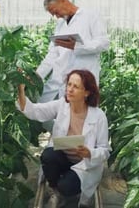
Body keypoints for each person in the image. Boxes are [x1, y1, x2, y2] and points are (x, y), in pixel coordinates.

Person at [17, 70, 110, 207]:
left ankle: (67, 189)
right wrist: (21, 90)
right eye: (69, 84)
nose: (70, 89)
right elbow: (34, 111)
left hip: (84, 166)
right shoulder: (62, 105)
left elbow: (105, 150)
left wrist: (90, 153)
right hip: (63, 158)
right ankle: (56, 190)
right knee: (48, 155)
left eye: (75, 86)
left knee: (66, 186)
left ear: (87, 92)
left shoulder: (98, 116)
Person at [37, 0, 109, 104]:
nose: (57, 16)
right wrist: (38, 75)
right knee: (54, 113)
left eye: (56, 12)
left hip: (83, 80)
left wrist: (77, 46)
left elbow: (103, 43)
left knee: (82, 116)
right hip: (61, 79)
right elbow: (52, 54)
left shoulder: (91, 15)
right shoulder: (61, 24)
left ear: (63, 1)